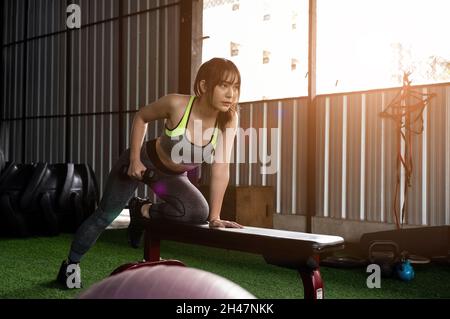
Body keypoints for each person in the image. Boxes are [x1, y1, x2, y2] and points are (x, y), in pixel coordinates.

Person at [57, 58, 244, 288]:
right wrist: (135, 159)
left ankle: (141, 209)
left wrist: (215, 217)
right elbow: (141, 117)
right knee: (106, 215)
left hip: (173, 177)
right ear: (205, 86)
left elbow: (221, 166)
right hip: (144, 162)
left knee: (199, 212)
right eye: (224, 85)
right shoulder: (177, 104)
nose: (231, 94)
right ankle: (71, 264)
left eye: (235, 87)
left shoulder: (229, 118)